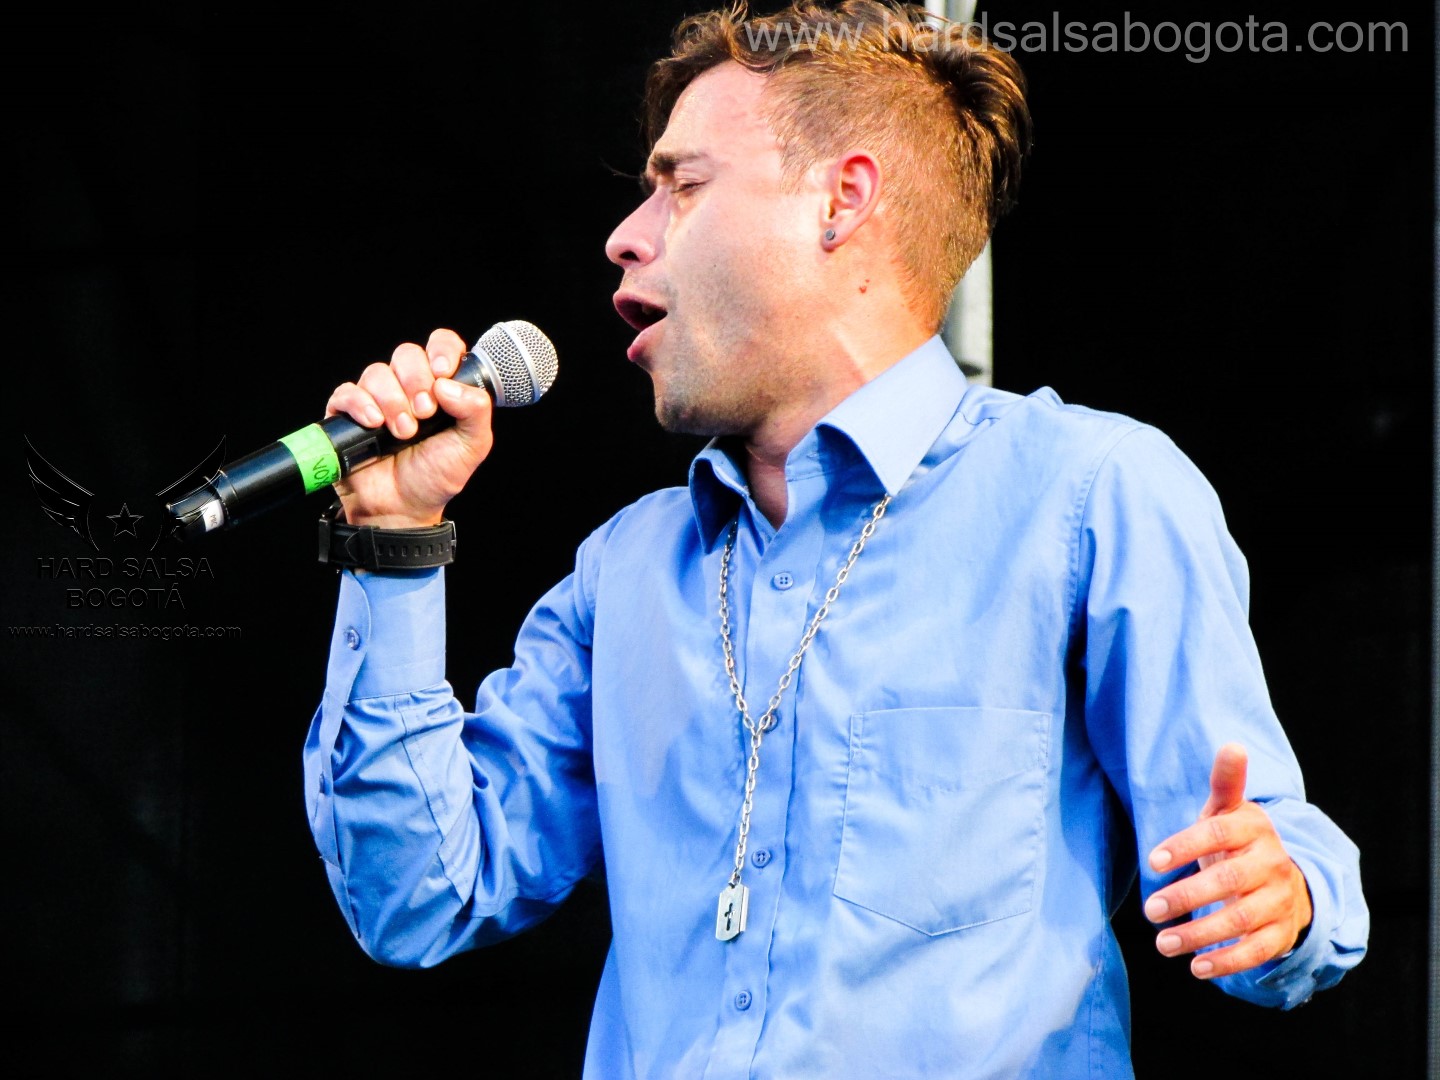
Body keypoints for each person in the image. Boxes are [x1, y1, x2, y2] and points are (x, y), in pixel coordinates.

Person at [303, 2, 1368, 1075]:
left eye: (682, 184)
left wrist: (1282, 897)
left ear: (842, 199)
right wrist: (394, 540)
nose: (626, 235)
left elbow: (1266, 846)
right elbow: (418, 899)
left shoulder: (1087, 494)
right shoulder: (623, 572)